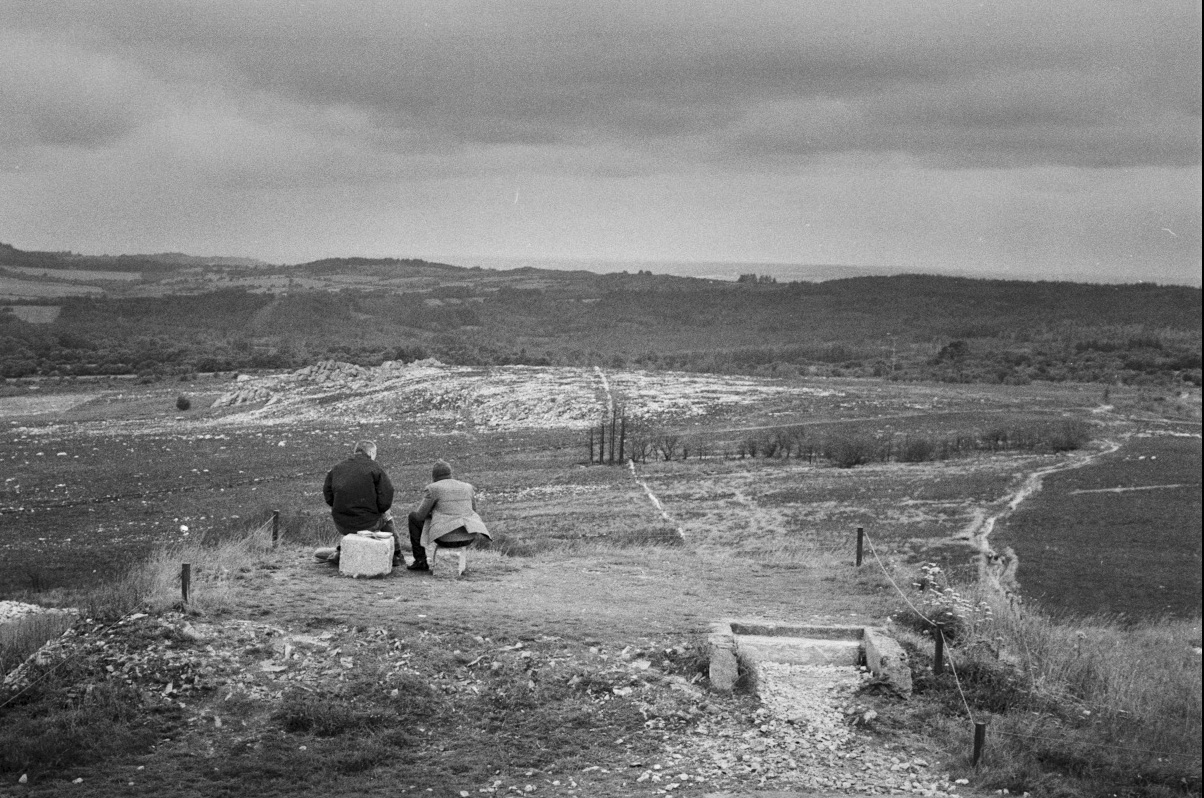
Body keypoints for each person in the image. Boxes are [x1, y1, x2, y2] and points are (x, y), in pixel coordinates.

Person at [318, 440, 401, 565]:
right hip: (368, 523)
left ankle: (342, 551)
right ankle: (396, 554)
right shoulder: (375, 468)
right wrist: (379, 510)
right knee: (387, 514)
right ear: (371, 452)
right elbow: (387, 495)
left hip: (341, 524)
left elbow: (328, 494)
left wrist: (339, 506)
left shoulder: (337, 467)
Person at [406, 459, 490, 571]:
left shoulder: (433, 488)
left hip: (445, 539)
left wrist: (433, 513)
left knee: (413, 517)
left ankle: (420, 561)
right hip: (468, 537)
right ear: (450, 473)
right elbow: (473, 511)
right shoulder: (467, 487)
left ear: (433, 475)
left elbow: (420, 516)